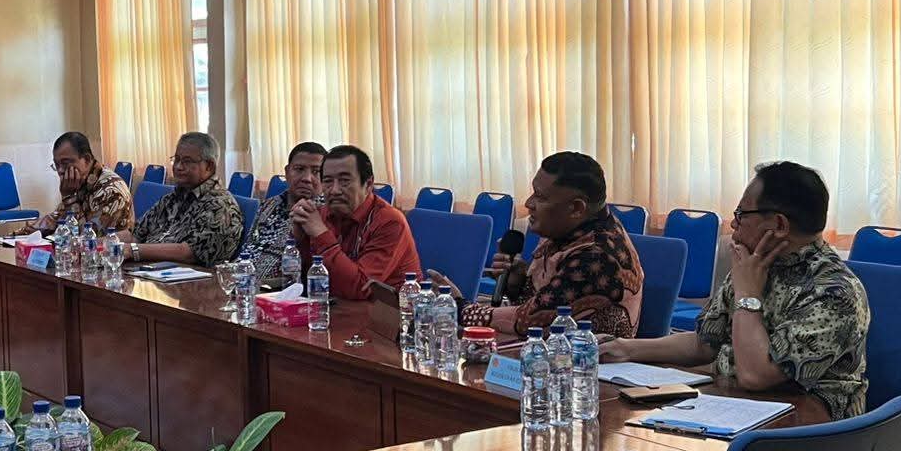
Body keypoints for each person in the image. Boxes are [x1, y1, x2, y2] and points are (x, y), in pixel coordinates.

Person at [604, 161, 869, 420]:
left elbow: (756, 376)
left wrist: (748, 296)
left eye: (742, 214)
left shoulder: (835, 292)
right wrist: (626, 348)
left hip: (809, 428)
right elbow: (704, 343)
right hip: (735, 406)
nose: (733, 224)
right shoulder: (756, 264)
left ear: (779, 225)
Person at [444, 152, 644, 338]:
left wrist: (459, 307)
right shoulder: (567, 230)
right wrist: (517, 284)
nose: (529, 203)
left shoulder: (597, 256)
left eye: (540, 196)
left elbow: (532, 321)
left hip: (582, 360)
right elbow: (540, 304)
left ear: (576, 208)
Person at [291, 145, 420, 297]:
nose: (334, 190)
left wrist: (321, 235)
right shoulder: (322, 214)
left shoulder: (390, 222)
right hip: (335, 304)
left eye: (345, 181)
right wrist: (300, 240)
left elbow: (361, 288)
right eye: (328, 181)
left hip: (391, 308)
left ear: (368, 184)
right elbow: (309, 279)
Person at [115, 133, 245, 268]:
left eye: (187, 161)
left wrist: (133, 250)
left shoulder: (221, 206)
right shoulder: (172, 199)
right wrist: (105, 243)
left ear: (209, 166)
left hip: (190, 277)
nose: (178, 166)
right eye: (176, 159)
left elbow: (189, 253)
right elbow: (135, 235)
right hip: (147, 271)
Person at [241, 142, 326, 280]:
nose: (306, 178)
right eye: (299, 169)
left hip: (280, 289)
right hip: (243, 282)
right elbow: (249, 249)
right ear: (287, 172)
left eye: (316, 172)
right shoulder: (268, 204)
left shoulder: (323, 214)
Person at [37, 131, 135, 233]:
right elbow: (55, 219)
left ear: (87, 160)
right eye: (57, 165)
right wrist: (25, 231)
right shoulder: (79, 182)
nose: (60, 170)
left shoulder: (111, 191)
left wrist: (69, 198)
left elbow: (87, 237)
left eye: (65, 163)